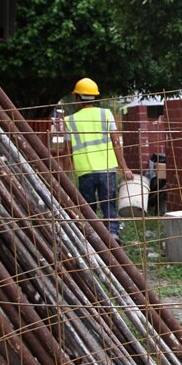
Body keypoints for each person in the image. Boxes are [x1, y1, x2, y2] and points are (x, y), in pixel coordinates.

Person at [64, 77, 132, 243]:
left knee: (88, 207)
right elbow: (116, 143)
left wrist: (66, 175)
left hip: (84, 171)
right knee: (108, 204)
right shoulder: (106, 114)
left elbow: (68, 151)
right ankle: (113, 234)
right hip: (107, 169)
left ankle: (92, 237)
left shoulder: (70, 120)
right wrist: (125, 168)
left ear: (78, 98)